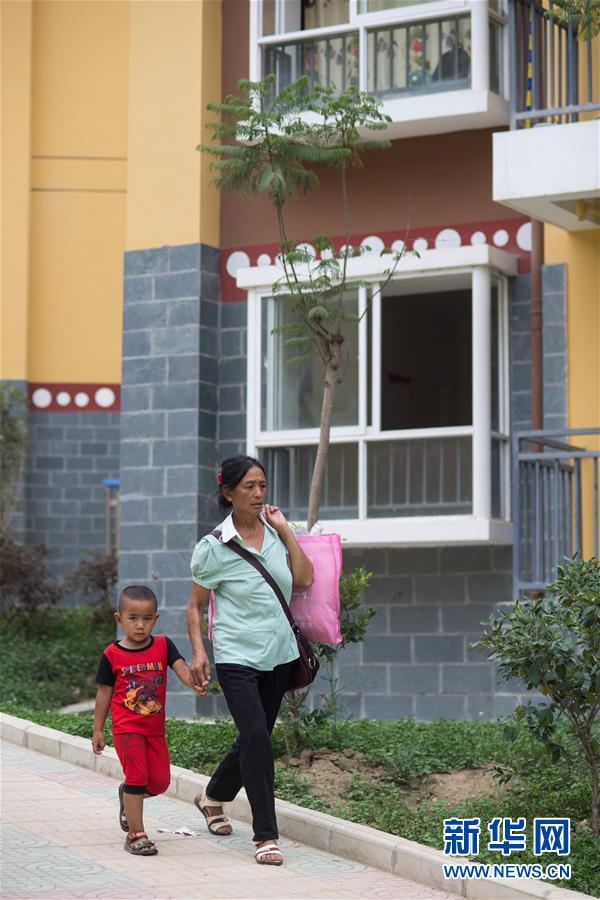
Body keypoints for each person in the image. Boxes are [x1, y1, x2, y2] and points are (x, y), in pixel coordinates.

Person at [187, 455, 313, 867]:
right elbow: (194, 606)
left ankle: (212, 797)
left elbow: (305, 579)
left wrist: (286, 531)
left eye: (263, 485)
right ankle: (265, 835)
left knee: (252, 736)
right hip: (236, 654)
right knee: (257, 735)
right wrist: (199, 651)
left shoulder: (277, 534)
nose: (259, 493)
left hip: (279, 653)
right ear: (228, 493)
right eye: (249, 487)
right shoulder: (213, 547)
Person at [92, 584, 208, 856]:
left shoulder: (163, 645)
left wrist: (194, 683)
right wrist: (98, 729)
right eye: (133, 618)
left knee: (159, 782)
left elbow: (181, 668)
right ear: (119, 619)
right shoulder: (111, 655)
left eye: (147, 618)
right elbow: (104, 693)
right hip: (126, 729)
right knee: (136, 777)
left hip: (154, 730)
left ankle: (127, 797)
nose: (140, 625)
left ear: (155, 618)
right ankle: (136, 834)